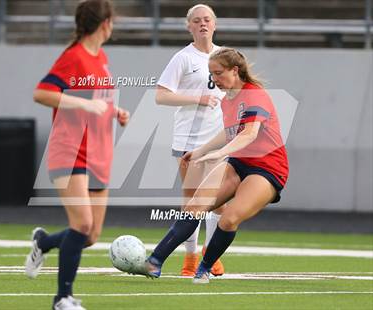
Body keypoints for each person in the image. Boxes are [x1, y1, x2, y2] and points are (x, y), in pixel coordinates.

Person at [138, 47, 289, 284]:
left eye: (218, 73)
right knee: (195, 205)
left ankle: (204, 268)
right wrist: (200, 151)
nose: (214, 79)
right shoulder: (227, 98)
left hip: (268, 168)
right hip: (240, 161)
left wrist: (219, 154)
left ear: (235, 70)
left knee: (229, 218)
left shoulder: (254, 95)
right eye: (211, 74)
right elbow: (228, 132)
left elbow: (249, 134)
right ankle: (153, 262)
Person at [24, 1, 129, 309]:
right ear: (105, 23)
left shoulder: (102, 58)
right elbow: (41, 93)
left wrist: (115, 112)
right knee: (81, 224)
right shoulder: (74, 57)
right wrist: (82, 105)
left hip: (99, 153)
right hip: (69, 151)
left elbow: (98, 101)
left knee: (91, 234)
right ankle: (62, 299)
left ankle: (43, 242)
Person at [155, 3, 225, 277]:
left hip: (219, 142)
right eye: (197, 21)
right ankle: (190, 260)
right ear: (189, 26)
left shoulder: (224, 56)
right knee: (193, 203)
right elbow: (161, 95)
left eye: (207, 20)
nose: (203, 24)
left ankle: (211, 255)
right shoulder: (183, 58)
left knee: (220, 202)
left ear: (215, 24)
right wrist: (198, 98)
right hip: (189, 142)